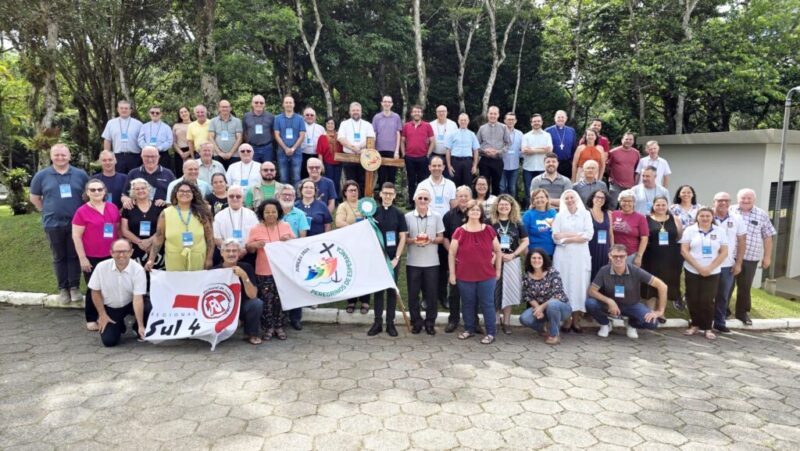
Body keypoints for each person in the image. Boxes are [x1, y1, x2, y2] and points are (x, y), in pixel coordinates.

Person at [29, 144, 89, 304]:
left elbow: (87, 195)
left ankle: (74, 287)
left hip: (77, 224)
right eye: (57, 155)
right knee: (59, 257)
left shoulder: (80, 174)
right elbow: (34, 198)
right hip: (52, 223)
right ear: (51, 156)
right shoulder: (41, 175)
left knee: (74, 255)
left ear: (69, 156)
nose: (60, 158)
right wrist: (47, 210)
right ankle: (63, 289)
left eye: (63, 155)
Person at [586, 244, 667, 339]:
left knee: (652, 323)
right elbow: (592, 291)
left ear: (626, 256)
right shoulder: (604, 271)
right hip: (609, 306)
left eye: (622, 256)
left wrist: (660, 311)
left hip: (632, 305)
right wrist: (609, 301)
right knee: (590, 303)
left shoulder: (636, 271)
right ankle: (606, 324)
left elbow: (662, 286)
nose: (618, 259)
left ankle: (632, 324)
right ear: (610, 256)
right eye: (615, 256)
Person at [449, 200, 502, 344]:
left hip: (486, 275)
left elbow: (498, 251)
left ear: (481, 213)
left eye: (477, 210)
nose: (475, 212)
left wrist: (498, 270)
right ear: (467, 212)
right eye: (472, 209)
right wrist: (452, 274)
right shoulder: (459, 231)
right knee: (467, 303)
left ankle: (491, 332)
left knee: (487, 304)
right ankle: (469, 329)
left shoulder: (489, 230)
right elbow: (452, 254)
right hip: (464, 275)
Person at [72, 179, 121, 331]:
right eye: (92, 190)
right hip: (92, 256)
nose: (96, 192)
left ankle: (107, 315)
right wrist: (82, 258)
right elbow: (76, 236)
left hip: (111, 255)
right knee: (94, 288)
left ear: (104, 191)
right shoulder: (81, 211)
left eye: (99, 189)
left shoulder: (112, 207)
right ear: (87, 193)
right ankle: (91, 318)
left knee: (110, 287)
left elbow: (118, 230)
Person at [246, 198, 296, 341]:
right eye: (267, 212)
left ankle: (280, 326)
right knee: (267, 301)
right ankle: (268, 327)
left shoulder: (285, 226)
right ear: (262, 213)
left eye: (273, 211)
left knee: (280, 299)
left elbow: (296, 244)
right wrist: (255, 245)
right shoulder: (256, 229)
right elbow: (248, 248)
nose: (270, 214)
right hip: (264, 270)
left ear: (278, 212)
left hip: (283, 271)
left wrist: (289, 239)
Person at [87, 239, 150, 347]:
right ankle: (120, 325)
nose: (121, 255)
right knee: (109, 341)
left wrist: (141, 325)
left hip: (130, 303)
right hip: (111, 306)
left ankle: (137, 328)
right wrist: (102, 314)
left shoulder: (138, 270)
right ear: (111, 253)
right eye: (117, 251)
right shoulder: (101, 267)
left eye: (125, 251)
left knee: (149, 307)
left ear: (131, 252)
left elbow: (138, 298)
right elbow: (95, 292)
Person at [680, 207, 728, 340]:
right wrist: (699, 267)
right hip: (692, 270)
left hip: (713, 272)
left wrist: (709, 268)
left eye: (708, 216)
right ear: (697, 217)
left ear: (712, 217)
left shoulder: (720, 231)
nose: (705, 218)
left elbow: (724, 252)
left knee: (708, 300)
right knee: (693, 298)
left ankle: (707, 328)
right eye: (702, 216)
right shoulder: (690, 230)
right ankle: (694, 325)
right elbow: (684, 250)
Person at [731, 188, 776, 325]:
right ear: (737, 198)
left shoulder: (761, 214)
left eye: (748, 198)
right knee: (726, 286)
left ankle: (742, 314)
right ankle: (723, 312)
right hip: (730, 256)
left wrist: (767, 257)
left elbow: (768, 236)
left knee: (745, 287)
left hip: (751, 257)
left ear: (753, 200)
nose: (745, 200)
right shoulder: (730, 211)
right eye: (743, 198)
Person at [145, 181, 214, 272]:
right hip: (174, 258)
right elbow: (159, 237)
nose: (184, 193)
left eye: (188, 191)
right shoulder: (166, 213)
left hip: (197, 257)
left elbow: (210, 238)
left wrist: (209, 258)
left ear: (193, 194)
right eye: (181, 191)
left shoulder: (201, 213)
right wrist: (151, 259)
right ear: (175, 194)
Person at [368, 182, 407, 337]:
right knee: (378, 291)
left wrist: (397, 257)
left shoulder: (399, 214)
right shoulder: (373, 213)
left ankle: (390, 323)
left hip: (392, 260)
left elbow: (403, 237)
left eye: (391, 193)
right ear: (381, 194)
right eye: (385, 193)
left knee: (391, 291)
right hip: (377, 259)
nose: (388, 196)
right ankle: (377, 322)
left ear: (395, 196)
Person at [551, 189, 593, 333]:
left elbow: (589, 234)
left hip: (581, 257)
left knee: (580, 286)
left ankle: (576, 319)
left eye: (572, 197)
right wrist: (577, 236)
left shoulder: (586, 214)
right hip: (563, 256)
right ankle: (567, 319)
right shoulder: (559, 216)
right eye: (566, 198)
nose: (569, 200)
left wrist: (567, 237)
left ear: (577, 199)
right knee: (565, 285)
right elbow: (555, 236)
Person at [405, 188, 445, 335]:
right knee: (413, 294)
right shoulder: (408, 216)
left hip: (432, 263)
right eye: (420, 198)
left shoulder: (436, 216)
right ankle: (416, 322)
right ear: (415, 199)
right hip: (413, 262)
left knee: (431, 294)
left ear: (430, 201)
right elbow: (404, 239)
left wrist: (431, 240)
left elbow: (441, 237)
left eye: (425, 199)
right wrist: (414, 241)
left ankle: (430, 322)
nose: (422, 201)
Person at [489, 194, 528, 334]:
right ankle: (494, 319)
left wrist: (514, 254)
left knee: (509, 291)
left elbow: (525, 241)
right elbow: (484, 240)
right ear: (496, 206)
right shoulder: (490, 222)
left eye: (506, 205)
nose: (504, 207)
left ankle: (506, 322)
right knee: (495, 290)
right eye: (501, 204)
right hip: (493, 260)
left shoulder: (517, 223)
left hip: (512, 260)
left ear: (511, 207)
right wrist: (495, 254)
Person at [214, 239, 264, 345]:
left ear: (239, 253)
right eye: (227, 251)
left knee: (257, 303)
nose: (231, 254)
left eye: (234, 251)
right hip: (222, 309)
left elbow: (253, 295)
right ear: (221, 253)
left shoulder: (246, 267)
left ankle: (251, 334)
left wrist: (244, 276)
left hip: (242, 307)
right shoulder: (214, 271)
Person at [641, 196, 682, 320]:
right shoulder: (646, 219)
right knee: (651, 283)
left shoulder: (675, 219)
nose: (660, 207)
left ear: (667, 206)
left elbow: (679, 236)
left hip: (671, 257)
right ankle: (650, 311)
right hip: (651, 256)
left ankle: (661, 312)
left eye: (663, 205)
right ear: (653, 206)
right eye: (658, 205)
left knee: (666, 282)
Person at [518, 249, 571, 344]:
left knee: (552, 305)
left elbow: (557, 295)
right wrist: (537, 308)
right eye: (533, 258)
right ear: (529, 260)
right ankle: (544, 329)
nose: (536, 260)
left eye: (539, 258)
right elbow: (528, 296)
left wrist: (541, 307)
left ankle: (554, 335)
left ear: (544, 260)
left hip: (561, 307)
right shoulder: (527, 276)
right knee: (524, 318)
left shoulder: (552, 272)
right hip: (542, 308)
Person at [712, 191, 746, 333]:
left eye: (726, 200)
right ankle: (703, 321)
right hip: (708, 264)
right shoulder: (707, 216)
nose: (723, 203)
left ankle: (719, 322)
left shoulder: (737, 218)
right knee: (706, 294)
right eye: (720, 200)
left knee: (723, 295)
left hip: (727, 265)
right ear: (714, 201)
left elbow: (742, 241)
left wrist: (738, 263)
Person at [442, 186, 475, 332]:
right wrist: (453, 254)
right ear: (456, 198)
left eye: (466, 196)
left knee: (473, 293)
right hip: (455, 261)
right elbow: (444, 238)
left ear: (470, 197)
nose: (463, 199)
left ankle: (474, 321)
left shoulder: (477, 214)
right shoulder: (448, 216)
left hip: (473, 262)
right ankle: (453, 320)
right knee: (454, 292)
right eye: (460, 196)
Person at [335, 180, 371, 314]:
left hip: (364, 244)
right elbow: (339, 222)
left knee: (364, 272)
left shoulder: (365, 204)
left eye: (355, 190)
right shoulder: (343, 206)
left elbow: (372, 220)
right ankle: (351, 301)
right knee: (351, 271)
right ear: (345, 193)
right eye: (350, 190)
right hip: (349, 244)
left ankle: (365, 300)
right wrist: (355, 228)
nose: (354, 192)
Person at [120, 178, 165, 271]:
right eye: (137, 189)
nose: (140, 191)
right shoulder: (128, 207)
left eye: (143, 188)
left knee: (157, 279)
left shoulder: (159, 206)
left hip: (157, 247)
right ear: (133, 192)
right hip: (136, 248)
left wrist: (150, 241)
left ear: (148, 189)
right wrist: (140, 242)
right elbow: (124, 230)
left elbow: (164, 228)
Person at [212, 185, 259, 261]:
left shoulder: (251, 215)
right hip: (226, 256)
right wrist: (230, 251)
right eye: (231, 196)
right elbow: (217, 238)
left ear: (243, 198)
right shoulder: (219, 216)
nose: (235, 198)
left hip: (247, 254)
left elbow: (256, 236)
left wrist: (245, 250)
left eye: (238, 196)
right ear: (227, 198)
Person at [338, 102, 375, 193]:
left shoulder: (367, 125)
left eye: (357, 110)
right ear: (350, 112)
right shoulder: (344, 124)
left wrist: (359, 147)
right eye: (353, 110)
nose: (355, 112)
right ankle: (351, 200)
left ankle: (362, 201)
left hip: (364, 156)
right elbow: (340, 138)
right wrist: (353, 147)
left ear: (361, 112)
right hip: (349, 156)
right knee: (350, 180)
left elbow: (371, 138)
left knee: (363, 179)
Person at [402, 105, 435, 201]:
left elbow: (433, 141)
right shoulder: (406, 126)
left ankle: (422, 200)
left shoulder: (427, 126)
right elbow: (402, 141)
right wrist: (404, 154)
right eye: (415, 111)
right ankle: (411, 202)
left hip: (423, 157)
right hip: (409, 157)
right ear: (412, 113)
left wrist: (428, 154)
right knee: (411, 180)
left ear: (421, 114)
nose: (417, 113)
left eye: (418, 112)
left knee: (422, 181)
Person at [476, 106, 510, 196]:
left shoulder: (504, 128)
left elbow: (508, 143)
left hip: (497, 160)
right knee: (484, 183)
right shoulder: (482, 128)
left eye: (495, 114)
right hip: (484, 160)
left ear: (498, 115)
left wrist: (498, 151)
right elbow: (476, 144)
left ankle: (495, 204)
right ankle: (484, 203)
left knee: (496, 184)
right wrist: (484, 151)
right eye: (491, 113)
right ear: (488, 114)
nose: (493, 116)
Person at [102, 100, 143, 173]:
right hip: (117, 157)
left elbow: (142, 141)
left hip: (135, 157)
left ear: (130, 110)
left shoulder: (139, 124)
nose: (124, 110)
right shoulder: (111, 123)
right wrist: (107, 155)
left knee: (135, 180)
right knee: (119, 180)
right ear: (118, 109)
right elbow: (107, 140)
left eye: (126, 108)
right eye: (121, 108)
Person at [273, 96, 306, 185]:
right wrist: (285, 148)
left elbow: (302, 135)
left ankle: (296, 198)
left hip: (296, 152)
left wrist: (293, 149)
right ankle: (284, 198)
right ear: (283, 104)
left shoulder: (300, 119)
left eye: (290, 102)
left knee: (296, 177)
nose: (288, 104)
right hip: (282, 152)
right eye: (286, 102)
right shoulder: (277, 118)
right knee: (283, 178)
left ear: (294, 104)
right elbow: (276, 135)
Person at [521, 114, 553, 206]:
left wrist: (532, 149)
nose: (536, 123)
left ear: (542, 122)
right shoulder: (526, 136)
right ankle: (529, 209)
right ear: (531, 123)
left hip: (542, 167)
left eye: (538, 121)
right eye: (534, 121)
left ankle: (544, 208)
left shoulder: (547, 135)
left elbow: (549, 150)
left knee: (543, 190)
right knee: (528, 190)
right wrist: (542, 149)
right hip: (528, 167)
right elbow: (524, 150)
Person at [612, 190, 649, 266]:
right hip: (615, 255)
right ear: (620, 202)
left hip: (631, 256)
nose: (627, 203)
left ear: (634, 203)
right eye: (624, 201)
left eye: (630, 201)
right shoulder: (613, 214)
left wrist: (639, 256)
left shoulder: (640, 218)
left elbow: (644, 238)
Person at [372, 96, 402, 188]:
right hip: (379, 151)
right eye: (385, 102)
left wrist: (397, 151)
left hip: (392, 151)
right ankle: (381, 198)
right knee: (381, 176)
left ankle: (391, 198)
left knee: (392, 176)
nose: (387, 104)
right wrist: (373, 150)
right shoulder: (377, 117)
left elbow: (398, 134)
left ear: (392, 104)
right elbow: (374, 134)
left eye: (389, 102)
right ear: (382, 103)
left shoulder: (396, 117)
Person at [445, 112, 479, 189]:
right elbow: (448, 150)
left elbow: (476, 150)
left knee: (468, 184)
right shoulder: (452, 134)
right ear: (458, 121)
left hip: (468, 162)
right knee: (455, 184)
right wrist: (449, 166)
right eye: (461, 120)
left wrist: (475, 165)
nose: (463, 122)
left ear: (468, 121)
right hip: (455, 162)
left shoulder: (472, 134)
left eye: (465, 120)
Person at [606, 132, 640, 210]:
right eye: (626, 139)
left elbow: (637, 169)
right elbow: (607, 167)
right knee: (612, 205)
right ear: (622, 140)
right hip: (615, 184)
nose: (628, 141)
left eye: (630, 139)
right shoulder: (613, 152)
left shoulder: (636, 153)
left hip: (630, 186)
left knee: (628, 206)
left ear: (633, 141)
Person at [587, 189, 614, 281]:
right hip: (591, 247)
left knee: (602, 273)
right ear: (592, 199)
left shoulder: (608, 214)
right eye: (597, 197)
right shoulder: (587, 213)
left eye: (603, 198)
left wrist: (612, 250)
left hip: (604, 249)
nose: (600, 199)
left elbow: (611, 234)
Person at [209, 99, 244, 170]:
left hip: (234, 155)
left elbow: (239, 138)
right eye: (222, 107)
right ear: (219, 108)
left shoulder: (237, 121)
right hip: (218, 155)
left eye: (227, 107)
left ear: (230, 108)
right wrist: (219, 152)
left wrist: (230, 153)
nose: (225, 108)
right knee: (218, 175)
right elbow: (210, 137)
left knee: (233, 176)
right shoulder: (213, 121)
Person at [522, 188, 558, 257]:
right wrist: (527, 255)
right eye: (536, 198)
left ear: (547, 199)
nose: (539, 200)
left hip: (552, 252)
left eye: (542, 197)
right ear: (533, 201)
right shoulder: (528, 215)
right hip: (535, 254)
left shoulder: (553, 212)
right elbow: (523, 237)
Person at [315, 117, 343, 199]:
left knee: (337, 182)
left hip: (339, 162)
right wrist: (321, 165)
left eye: (332, 123)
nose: (330, 125)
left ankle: (336, 200)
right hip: (327, 163)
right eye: (328, 123)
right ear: (326, 125)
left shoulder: (339, 136)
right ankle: (329, 199)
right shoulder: (322, 137)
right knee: (329, 181)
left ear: (335, 125)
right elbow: (319, 152)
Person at [243, 94, 275, 164]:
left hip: (267, 148)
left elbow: (273, 132)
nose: (259, 104)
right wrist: (249, 141)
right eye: (256, 102)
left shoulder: (271, 116)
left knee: (268, 169)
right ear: (252, 104)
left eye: (261, 103)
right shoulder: (246, 116)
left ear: (264, 104)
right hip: (252, 148)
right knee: (253, 170)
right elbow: (244, 131)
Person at [545, 110, 577, 178]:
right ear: (555, 118)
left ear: (566, 118)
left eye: (562, 117)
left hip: (567, 163)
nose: (560, 119)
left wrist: (571, 161)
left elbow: (573, 147)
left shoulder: (571, 131)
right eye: (558, 117)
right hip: (552, 163)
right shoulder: (548, 131)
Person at [430, 105, 458, 176]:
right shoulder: (431, 124)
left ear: (446, 112)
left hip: (449, 156)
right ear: (436, 113)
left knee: (448, 176)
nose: (441, 113)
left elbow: (456, 141)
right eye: (439, 111)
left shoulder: (453, 124)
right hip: (434, 154)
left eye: (443, 111)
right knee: (435, 176)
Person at [500, 112, 523, 198]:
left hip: (514, 165)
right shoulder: (500, 132)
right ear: (505, 121)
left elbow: (522, 148)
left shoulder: (520, 134)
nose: (510, 121)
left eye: (512, 120)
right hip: (502, 165)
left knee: (512, 188)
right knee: (502, 187)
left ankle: (513, 208)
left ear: (515, 121)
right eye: (509, 119)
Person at [300, 107, 326, 179]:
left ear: (315, 117)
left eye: (312, 115)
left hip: (316, 155)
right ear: (303, 116)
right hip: (303, 155)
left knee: (316, 176)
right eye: (307, 115)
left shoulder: (321, 128)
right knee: (303, 176)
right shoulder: (300, 127)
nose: (309, 117)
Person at [171, 106, 193, 178]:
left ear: (189, 112)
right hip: (180, 153)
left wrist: (189, 152)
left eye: (185, 111)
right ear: (179, 115)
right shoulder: (176, 126)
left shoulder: (195, 124)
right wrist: (181, 153)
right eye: (181, 112)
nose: (184, 114)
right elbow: (174, 142)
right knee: (180, 174)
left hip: (193, 151)